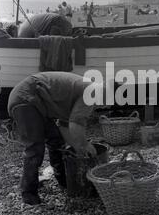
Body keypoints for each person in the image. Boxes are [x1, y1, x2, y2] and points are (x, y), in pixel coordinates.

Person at [8, 72, 101, 205]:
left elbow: (64, 126)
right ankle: (28, 192)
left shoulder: (83, 91)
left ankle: (63, 179)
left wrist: (77, 147)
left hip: (39, 102)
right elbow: (75, 125)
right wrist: (84, 145)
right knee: (35, 147)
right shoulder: (92, 92)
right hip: (26, 98)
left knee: (56, 140)